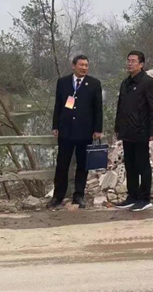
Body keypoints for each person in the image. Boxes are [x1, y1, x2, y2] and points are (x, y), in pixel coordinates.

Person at [49, 55, 103, 209]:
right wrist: (55, 125)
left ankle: (78, 195)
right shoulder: (63, 82)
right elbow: (58, 105)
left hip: (85, 131)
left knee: (82, 165)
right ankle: (58, 196)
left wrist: (98, 129)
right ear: (73, 66)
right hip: (66, 131)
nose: (84, 68)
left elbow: (98, 109)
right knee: (62, 164)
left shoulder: (94, 84)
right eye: (81, 65)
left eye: (86, 65)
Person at [114, 51, 153, 212]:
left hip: (141, 131)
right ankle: (132, 196)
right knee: (130, 165)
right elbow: (120, 107)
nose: (129, 63)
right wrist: (118, 127)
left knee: (143, 165)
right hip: (127, 131)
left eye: (133, 61)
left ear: (141, 64)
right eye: (128, 60)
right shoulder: (125, 83)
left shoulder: (148, 83)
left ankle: (144, 198)